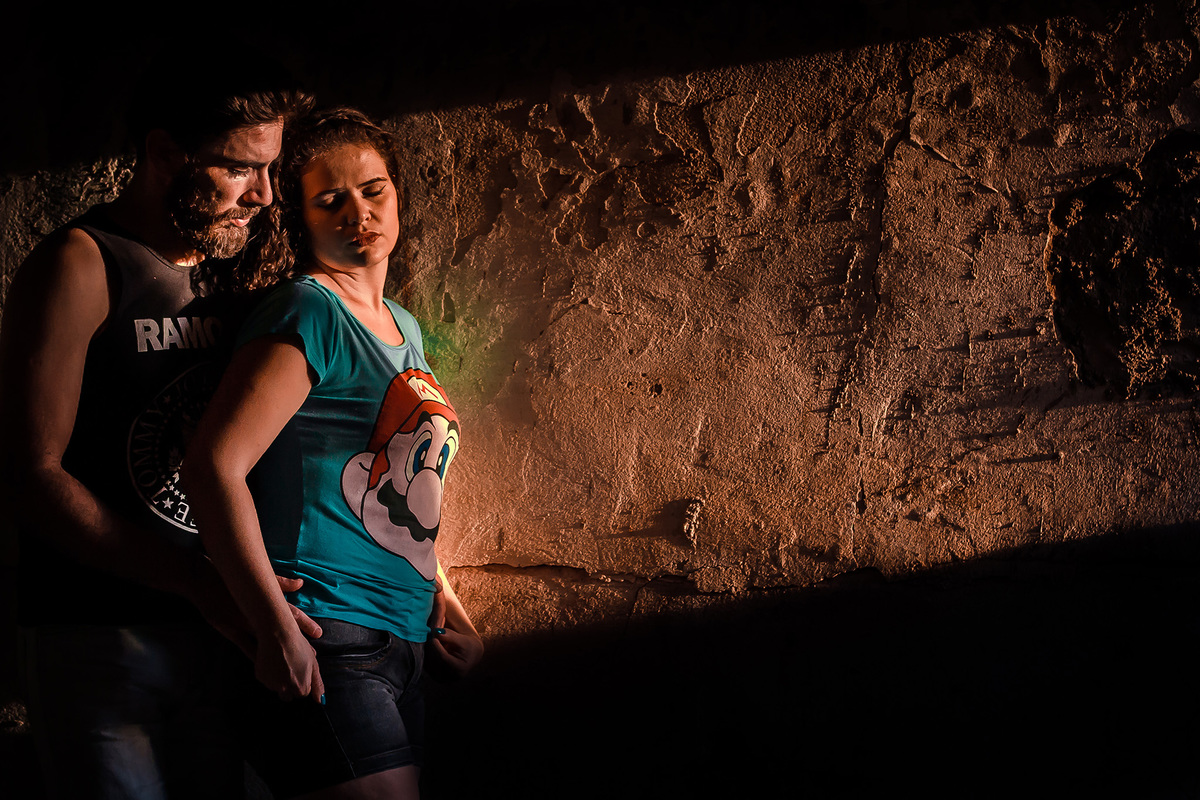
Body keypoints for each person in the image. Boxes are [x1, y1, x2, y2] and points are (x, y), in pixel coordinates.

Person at [0, 56, 315, 799]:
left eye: (270, 169)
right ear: (166, 152)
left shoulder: (236, 271)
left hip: (219, 635)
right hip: (99, 634)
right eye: (240, 168)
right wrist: (198, 581)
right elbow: (30, 476)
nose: (265, 195)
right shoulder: (82, 263)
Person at [185, 108, 484, 800]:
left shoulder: (404, 326)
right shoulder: (309, 309)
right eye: (331, 200)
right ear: (302, 220)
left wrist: (450, 606)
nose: (359, 213)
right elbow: (213, 466)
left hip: (406, 643)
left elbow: (401, 491)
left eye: (374, 190)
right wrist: (272, 627)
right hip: (328, 632)